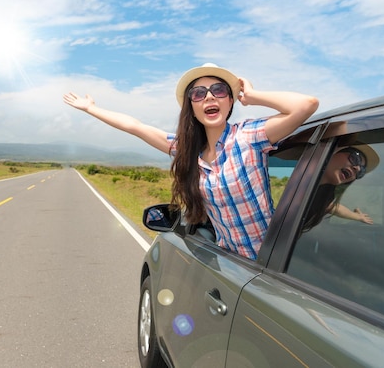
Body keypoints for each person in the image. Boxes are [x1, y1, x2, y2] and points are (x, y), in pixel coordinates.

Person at [64, 63, 319, 259]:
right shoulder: (187, 151)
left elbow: (306, 105)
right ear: (192, 106)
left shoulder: (248, 136)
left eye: (219, 90)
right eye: (198, 94)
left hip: (272, 263)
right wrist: (90, 109)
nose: (209, 97)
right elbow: (135, 126)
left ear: (230, 100)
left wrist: (252, 96)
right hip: (233, 265)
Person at [303, 145, 379, 231]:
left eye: (362, 171)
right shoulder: (293, 182)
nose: (357, 168)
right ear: (334, 151)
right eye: (355, 158)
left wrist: (358, 217)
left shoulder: (321, 197)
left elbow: (332, 207)